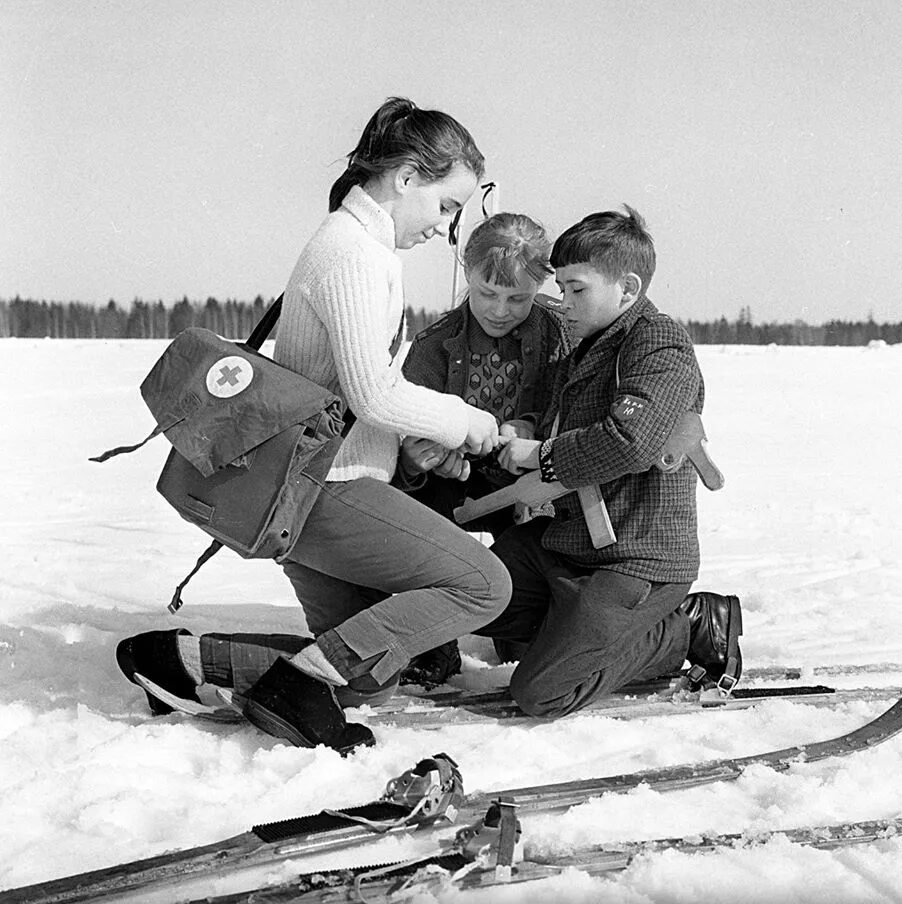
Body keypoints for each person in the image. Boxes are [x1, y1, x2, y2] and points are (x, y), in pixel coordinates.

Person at [116, 97, 513, 752]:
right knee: (481, 584)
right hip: (327, 489)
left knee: (365, 675)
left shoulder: (352, 244)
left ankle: (182, 662)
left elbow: (352, 392)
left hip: (308, 490)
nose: (446, 229)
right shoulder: (354, 254)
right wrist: (461, 419)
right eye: (446, 205)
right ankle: (297, 684)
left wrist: (418, 442)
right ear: (407, 177)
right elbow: (374, 392)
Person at [475, 205, 742, 718]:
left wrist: (544, 455)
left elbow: (630, 440)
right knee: (474, 595)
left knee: (541, 692)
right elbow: (568, 423)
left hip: (634, 558)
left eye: (578, 289)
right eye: (561, 288)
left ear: (628, 288)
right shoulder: (590, 344)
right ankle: (577, 633)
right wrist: (530, 428)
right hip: (572, 546)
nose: (564, 302)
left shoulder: (658, 344)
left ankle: (686, 625)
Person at [396, 211, 571, 684]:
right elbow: (403, 433)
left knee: (525, 641)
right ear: (467, 274)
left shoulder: (562, 334)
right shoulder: (433, 346)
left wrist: (531, 430)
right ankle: (435, 641)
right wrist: (417, 460)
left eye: (518, 298)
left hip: (533, 485)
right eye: (487, 294)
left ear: (542, 285)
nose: (500, 310)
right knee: (419, 521)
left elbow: (573, 405)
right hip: (451, 487)